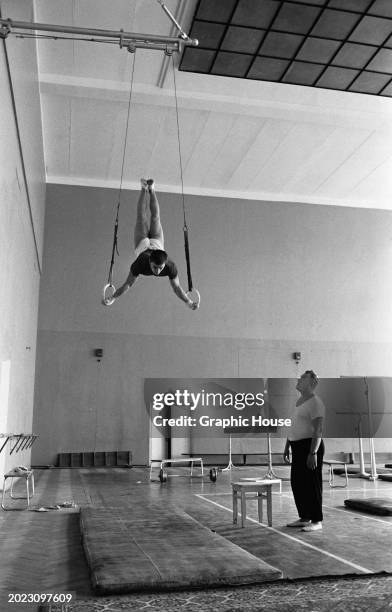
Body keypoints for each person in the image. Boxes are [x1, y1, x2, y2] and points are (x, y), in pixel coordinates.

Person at [103, 179, 199, 309]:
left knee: (152, 217)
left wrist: (189, 302)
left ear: (165, 264)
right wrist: (112, 297)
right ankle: (148, 189)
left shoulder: (170, 266)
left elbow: (176, 288)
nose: (158, 271)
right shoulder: (141, 263)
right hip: (151, 244)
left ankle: (147, 189)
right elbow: (128, 284)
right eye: (155, 268)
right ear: (149, 262)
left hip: (145, 245)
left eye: (160, 268)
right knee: (146, 216)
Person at [283, 370, 325, 532]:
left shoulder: (316, 403)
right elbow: (294, 427)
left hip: (310, 446)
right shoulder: (298, 402)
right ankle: (304, 517)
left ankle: (316, 520)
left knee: (312, 484)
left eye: (302, 378)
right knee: (298, 483)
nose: (298, 379)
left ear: (311, 383)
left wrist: (313, 452)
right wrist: (287, 446)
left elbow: (318, 430)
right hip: (297, 447)